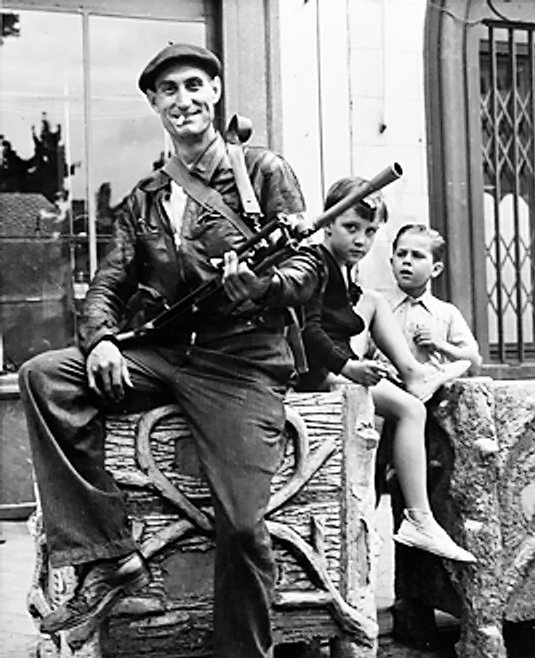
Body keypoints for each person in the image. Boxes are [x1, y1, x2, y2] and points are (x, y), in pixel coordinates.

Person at [18, 43, 322, 658]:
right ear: (155, 103)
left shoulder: (261, 172)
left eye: (193, 85)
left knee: (241, 526)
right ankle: (109, 555)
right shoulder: (146, 197)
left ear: (213, 92)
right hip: (166, 355)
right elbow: (109, 282)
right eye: (169, 91)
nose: (183, 100)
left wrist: (264, 286)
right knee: (45, 376)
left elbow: (310, 266)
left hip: (241, 362)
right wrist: (101, 339)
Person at [296, 176, 476, 563]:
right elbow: (307, 330)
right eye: (351, 228)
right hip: (320, 372)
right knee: (411, 409)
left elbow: (345, 319)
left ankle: (414, 374)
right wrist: (349, 367)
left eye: (370, 231)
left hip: (337, 363)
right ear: (327, 224)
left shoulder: (343, 270)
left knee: (373, 300)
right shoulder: (316, 263)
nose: (361, 240)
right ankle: (419, 517)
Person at [385, 223, 482, 371]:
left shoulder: (447, 313)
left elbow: (474, 363)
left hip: (435, 390)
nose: (407, 261)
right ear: (392, 262)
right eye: (401, 254)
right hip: (385, 390)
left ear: (435, 269)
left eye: (417, 256)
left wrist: (442, 345)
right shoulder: (378, 307)